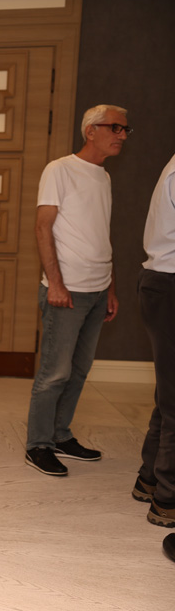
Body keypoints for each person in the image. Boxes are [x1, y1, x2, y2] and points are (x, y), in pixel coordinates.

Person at [24, 105, 129, 476]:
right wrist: (55, 283)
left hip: (98, 291)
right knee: (54, 373)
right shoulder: (59, 169)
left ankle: (60, 435)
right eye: (115, 127)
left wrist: (110, 288)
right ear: (90, 131)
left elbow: (101, 235)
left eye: (125, 129)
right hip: (66, 291)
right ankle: (38, 445)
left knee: (80, 370)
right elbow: (43, 227)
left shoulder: (103, 176)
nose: (122, 135)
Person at [134, 152, 175, 529]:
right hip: (169, 286)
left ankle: (150, 479)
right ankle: (168, 498)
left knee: (169, 393)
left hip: (162, 285)